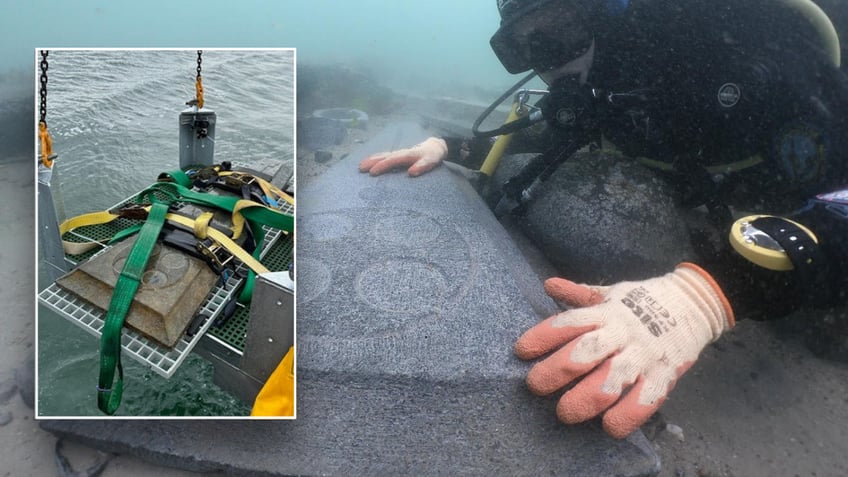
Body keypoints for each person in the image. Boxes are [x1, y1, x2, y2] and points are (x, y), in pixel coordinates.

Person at [358, 0, 848, 439]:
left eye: (559, 30)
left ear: (605, 11)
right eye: (525, 45)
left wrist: (714, 294)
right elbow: (554, 132)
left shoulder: (747, 49)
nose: (549, 61)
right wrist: (450, 144)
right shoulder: (605, 83)